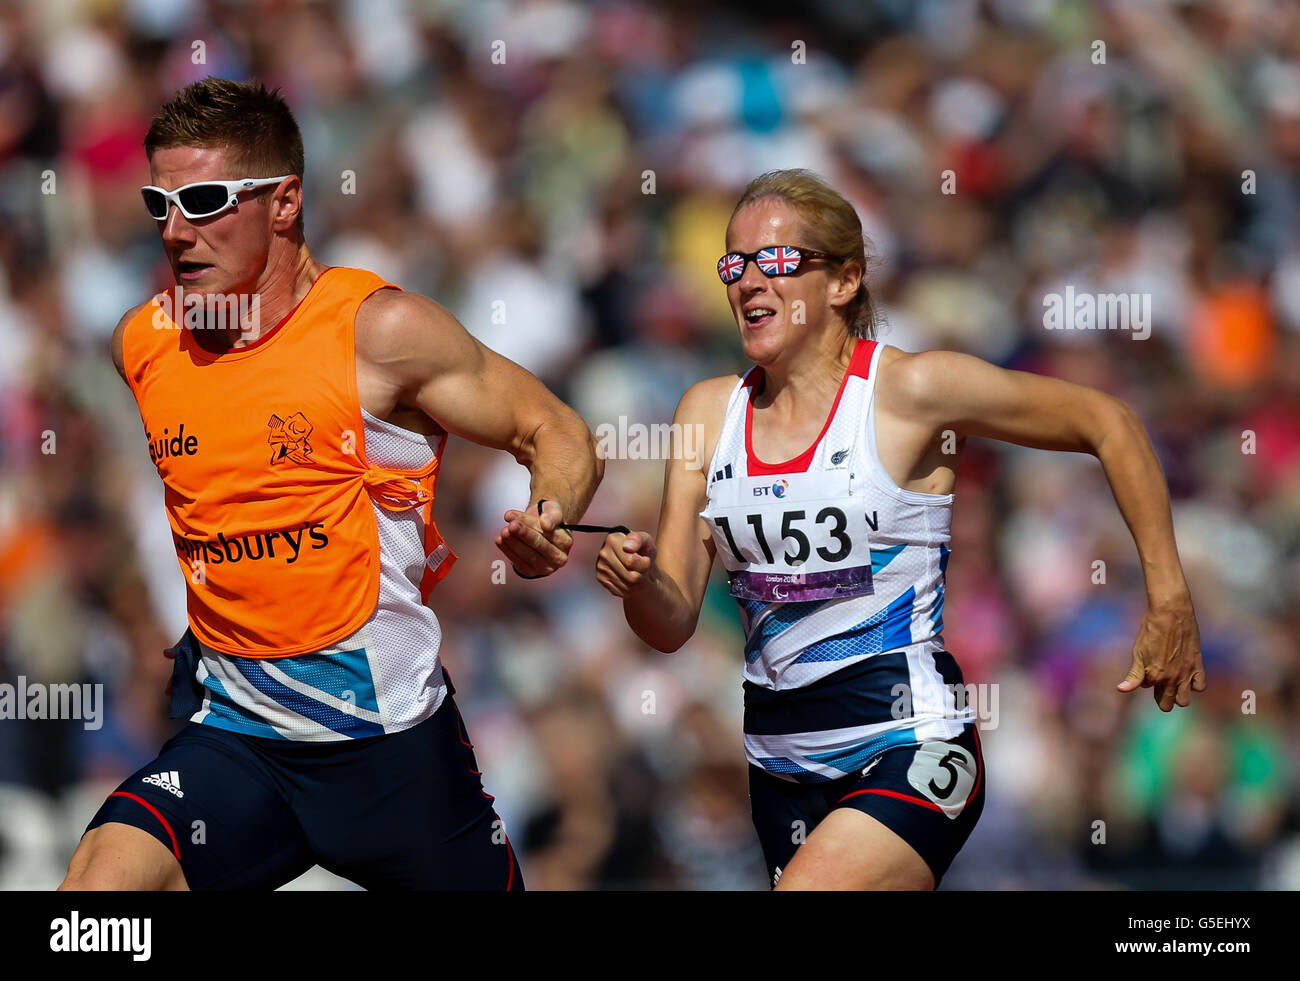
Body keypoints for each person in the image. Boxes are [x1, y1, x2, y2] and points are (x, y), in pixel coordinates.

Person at [58, 77, 600, 891]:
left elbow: (554, 428)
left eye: (203, 200)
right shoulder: (145, 342)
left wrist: (549, 517)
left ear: (284, 203)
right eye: (158, 204)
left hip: (393, 754)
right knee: (98, 896)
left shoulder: (380, 332)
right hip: (239, 744)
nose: (174, 231)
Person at [595, 168, 1205, 891]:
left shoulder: (910, 391)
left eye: (778, 260)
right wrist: (636, 581)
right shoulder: (706, 412)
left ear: (845, 280)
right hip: (780, 766)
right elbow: (669, 622)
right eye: (736, 263)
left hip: (910, 738)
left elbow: (1111, 423)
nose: (749, 281)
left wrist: (1168, 598)